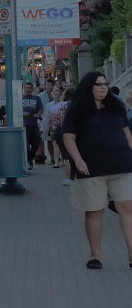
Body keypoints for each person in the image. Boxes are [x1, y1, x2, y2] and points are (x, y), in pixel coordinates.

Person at [60, 71, 132, 270]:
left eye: (105, 84)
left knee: (128, 208)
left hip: (122, 166)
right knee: (94, 212)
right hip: (90, 169)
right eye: (98, 84)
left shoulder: (116, 107)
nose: (103, 87)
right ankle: (96, 255)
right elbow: (68, 137)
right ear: (88, 87)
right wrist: (78, 161)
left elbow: (127, 134)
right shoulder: (77, 109)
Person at [21, 81, 43, 170]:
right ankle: (28, 161)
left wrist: (38, 115)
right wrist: (22, 114)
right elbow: (16, 110)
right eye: (27, 88)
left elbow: (41, 109)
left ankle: (30, 157)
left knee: (36, 143)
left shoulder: (36, 98)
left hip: (34, 124)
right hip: (25, 125)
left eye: (30, 88)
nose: (29, 89)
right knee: (26, 144)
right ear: (24, 88)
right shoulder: (20, 98)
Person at [44, 88, 67, 168]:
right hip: (54, 126)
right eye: (55, 94)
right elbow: (47, 117)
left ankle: (63, 161)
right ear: (52, 95)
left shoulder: (64, 104)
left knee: (63, 144)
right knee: (55, 144)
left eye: (58, 94)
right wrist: (47, 128)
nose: (56, 96)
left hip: (63, 126)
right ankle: (56, 162)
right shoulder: (49, 105)